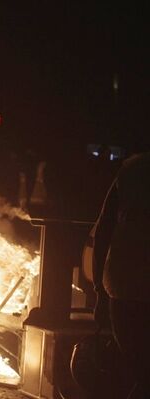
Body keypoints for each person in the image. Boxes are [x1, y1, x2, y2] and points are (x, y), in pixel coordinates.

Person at [93, 151, 150, 399]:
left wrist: (98, 290)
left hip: (124, 285)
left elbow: (103, 229)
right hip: (126, 285)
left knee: (138, 368)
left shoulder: (131, 170)